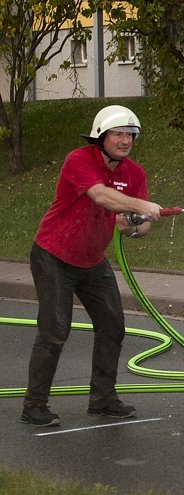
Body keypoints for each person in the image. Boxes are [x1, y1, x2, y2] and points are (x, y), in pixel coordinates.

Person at [19, 105, 163, 427]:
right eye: (118, 134)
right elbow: (100, 196)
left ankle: (103, 400)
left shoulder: (134, 174)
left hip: (93, 262)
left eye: (130, 135)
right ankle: (34, 405)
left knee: (113, 326)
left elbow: (140, 225)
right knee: (55, 329)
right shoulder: (79, 160)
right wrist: (141, 206)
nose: (125, 141)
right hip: (53, 256)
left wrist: (134, 226)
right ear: (101, 136)